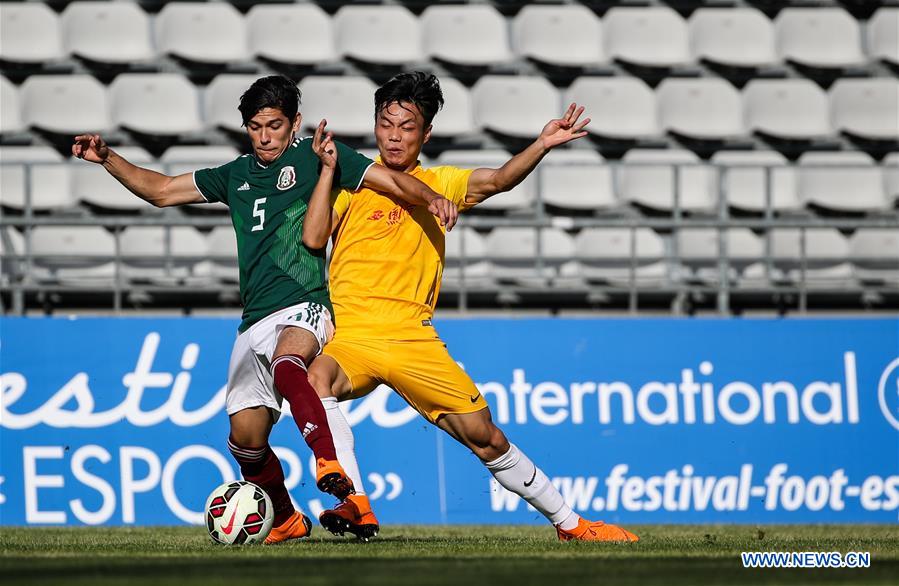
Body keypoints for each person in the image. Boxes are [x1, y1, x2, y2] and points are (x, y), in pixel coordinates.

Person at [71, 75, 458, 544]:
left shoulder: (313, 159)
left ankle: (329, 463)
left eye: (274, 125)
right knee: (246, 442)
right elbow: (162, 190)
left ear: (294, 123)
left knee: (289, 362)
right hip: (254, 318)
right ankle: (288, 517)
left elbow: (391, 180)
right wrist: (108, 158)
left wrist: (432, 196)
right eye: (255, 127)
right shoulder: (235, 174)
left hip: (306, 304)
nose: (265, 136)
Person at [306, 72, 639, 542]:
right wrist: (325, 172)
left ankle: (572, 525)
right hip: (352, 337)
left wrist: (540, 144)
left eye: (406, 126)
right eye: (386, 124)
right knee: (312, 381)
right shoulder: (350, 184)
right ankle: (356, 502)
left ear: (426, 134)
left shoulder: (441, 182)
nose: (395, 135)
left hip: (410, 339)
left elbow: (500, 179)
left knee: (486, 437)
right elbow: (314, 238)